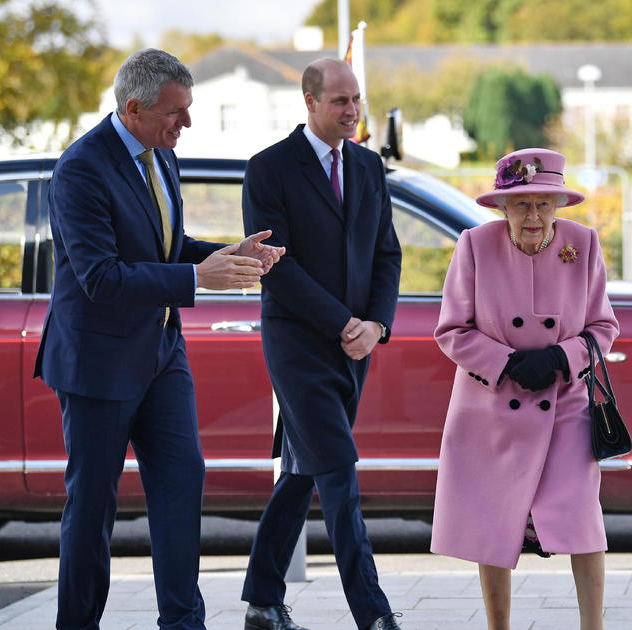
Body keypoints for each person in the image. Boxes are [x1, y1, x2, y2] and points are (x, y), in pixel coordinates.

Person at [34, 48, 284, 630]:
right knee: (92, 510)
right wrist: (201, 278)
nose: (187, 123)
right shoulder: (80, 168)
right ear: (134, 107)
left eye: (188, 109)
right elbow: (100, 277)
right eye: (177, 112)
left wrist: (226, 255)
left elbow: (164, 245)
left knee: (179, 487)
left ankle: (182, 623)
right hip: (97, 363)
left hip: (162, 353)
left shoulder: (160, 154)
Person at [239, 57, 404, 630]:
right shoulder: (269, 169)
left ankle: (262, 598)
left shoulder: (367, 166)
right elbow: (274, 268)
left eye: (356, 99)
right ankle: (374, 614)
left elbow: (387, 254)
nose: (352, 110)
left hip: (355, 344)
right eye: (340, 101)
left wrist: (376, 325)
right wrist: (343, 323)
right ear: (309, 102)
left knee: (303, 472)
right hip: (297, 344)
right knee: (338, 468)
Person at [431, 148, 620, 630]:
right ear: (502, 208)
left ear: (558, 204)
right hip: (492, 408)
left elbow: (603, 326)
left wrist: (561, 356)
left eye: (543, 204)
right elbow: (451, 330)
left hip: (566, 406)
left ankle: (593, 627)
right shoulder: (475, 244)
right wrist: (507, 362)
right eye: (521, 205)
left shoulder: (585, 244)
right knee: (494, 524)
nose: (532, 215)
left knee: (582, 518)